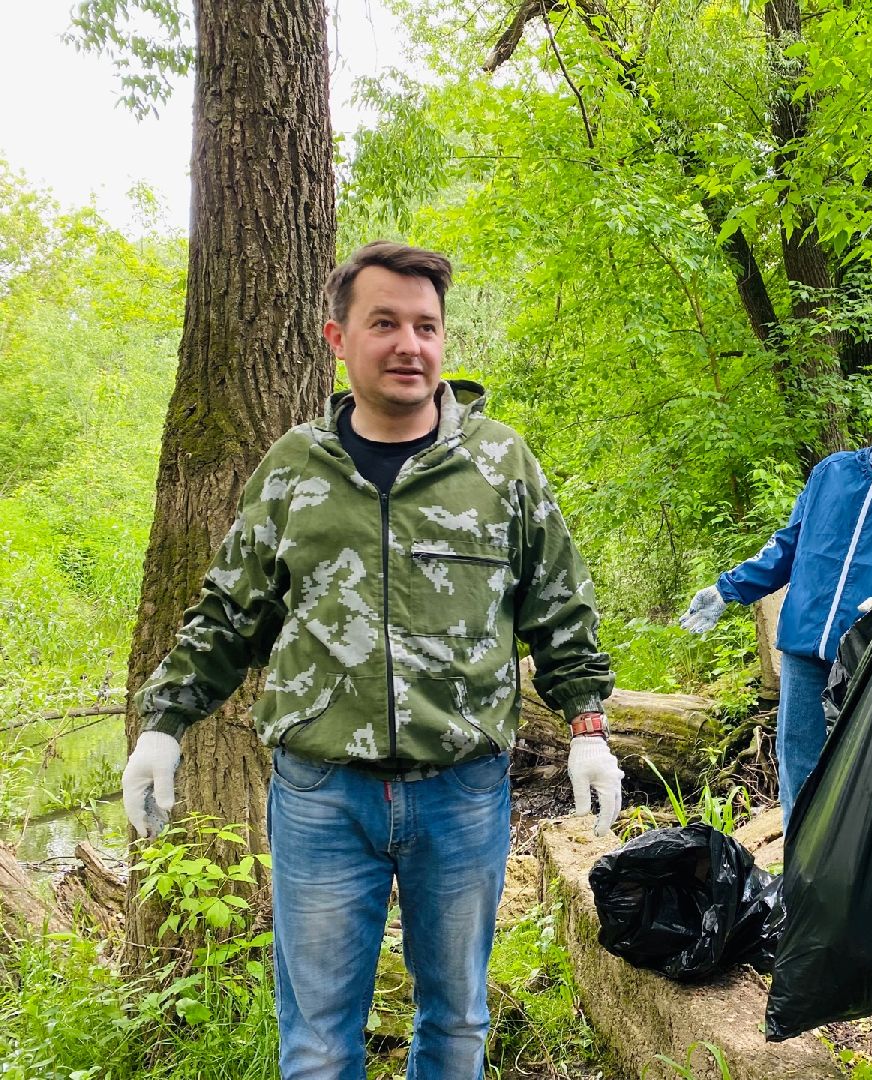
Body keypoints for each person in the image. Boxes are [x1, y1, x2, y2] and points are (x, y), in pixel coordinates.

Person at [119, 241, 624, 1079]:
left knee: (457, 1026)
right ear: (337, 337)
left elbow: (558, 603)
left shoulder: (499, 463)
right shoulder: (292, 470)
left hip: (461, 792)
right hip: (321, 794)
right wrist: (165, 722)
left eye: (426, 326)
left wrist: (589, 726)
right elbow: (229, 611)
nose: (409, 344)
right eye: (384, 322)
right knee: (317, 1044)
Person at [680, 372, 872, 827]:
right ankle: (801, 877)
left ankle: (855, 877)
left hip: (868, 652)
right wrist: (726, 589)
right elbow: (787, 548)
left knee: (866, 770)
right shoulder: (832, 472)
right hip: (804, 646)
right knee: (798, 764)